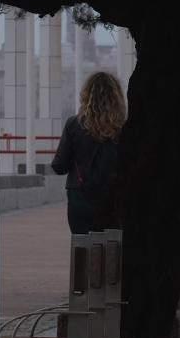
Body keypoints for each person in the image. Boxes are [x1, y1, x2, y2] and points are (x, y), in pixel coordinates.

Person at [51, 71, 125, 234]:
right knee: (113, 248)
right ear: (117, 96)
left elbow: (59, 166)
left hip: (81, 198)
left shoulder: (74, 124)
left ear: (86, 95)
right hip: (115, 199)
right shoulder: (124, 127)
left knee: (82, 249)